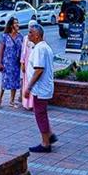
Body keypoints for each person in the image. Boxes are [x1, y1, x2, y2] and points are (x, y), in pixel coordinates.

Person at [23, 22, 57, 153]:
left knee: (40, 115)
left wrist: (28, 87)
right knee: (42, 113)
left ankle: (45, 143)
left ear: (37, 35)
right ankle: (49, 135)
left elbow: (38, 70)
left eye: (31, 32)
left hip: (41, 88)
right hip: (44, 87)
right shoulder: (43, 47)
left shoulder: (39, 49)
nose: (29, 34)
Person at [0, 17, 23, 108]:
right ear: (11, 25)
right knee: (4, 81)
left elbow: (23, 51)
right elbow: (1, 51)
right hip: (7, 63)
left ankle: (12, 101)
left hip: (16, 63)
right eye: (15, 23)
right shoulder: (5, 36)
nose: (17, 25)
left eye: (18, 23)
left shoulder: (20, 37)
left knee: (15, 82)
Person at [19, 29, 35, 111]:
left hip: (35, 63)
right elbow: (23, 52)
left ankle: (33, 103)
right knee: (27, 82)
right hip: (27, 62)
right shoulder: (25, 38)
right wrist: (22, 63)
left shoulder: (38, 38)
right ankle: (26, 103)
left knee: (34, 82)